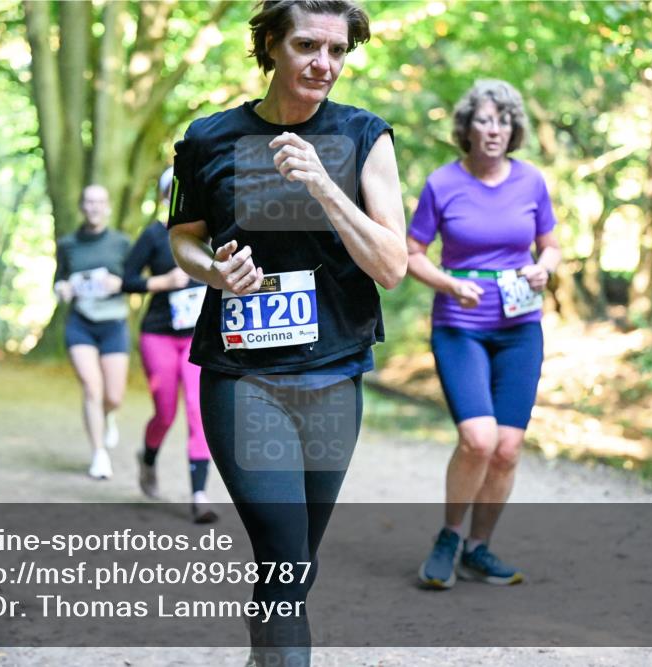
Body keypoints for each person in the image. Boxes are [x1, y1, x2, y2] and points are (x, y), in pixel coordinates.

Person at [168, 1, 406, 664]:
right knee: (280, 552)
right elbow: (182, 241)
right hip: (244, 379)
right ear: (270, 44)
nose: (323, 64)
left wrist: (326, 186)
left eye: (337, 51)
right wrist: (215, 271)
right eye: (306, 46)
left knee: (294, 565)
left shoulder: (365, 136)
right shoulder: (209, 137)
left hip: (334, 376)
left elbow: (392, 265)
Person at [406, 79, 561, 589]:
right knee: (478, 439)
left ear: (512, 129)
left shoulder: (532, 182)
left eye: (503, 121)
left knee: (508, 449)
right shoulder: (442, 184)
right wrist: (449, 283)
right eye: (484, 120)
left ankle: (479, 548)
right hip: (461, 328)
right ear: (467, 128)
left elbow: (552, 246)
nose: (494, 129)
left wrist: (545, 268)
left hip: (520, 329)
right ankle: (449, 535)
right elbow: (410, 255)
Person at [123, 167, 217, 523]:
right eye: (173, 191)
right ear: (165, 197)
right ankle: (147, 459)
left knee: (197, 409)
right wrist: (162, 282)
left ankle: (199, 496)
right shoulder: (152, 236)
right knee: (166, 412)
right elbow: (126, 281)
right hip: (158, 334)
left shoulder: (214, 234)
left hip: (197, 338)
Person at [54, 184, 131, 480]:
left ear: (108, 207)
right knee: (91, 387)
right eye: (89, 201)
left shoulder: (122, 243)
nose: (94, 207)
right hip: (81, 322)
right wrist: (62, 288)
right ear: (81, 206)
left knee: (114, 396)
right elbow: (59, 279)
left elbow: (134, 280)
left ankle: (110, 415)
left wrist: (119, 284)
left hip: (113, 323)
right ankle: (99, 454)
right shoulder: (68, 244)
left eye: (100, 202)